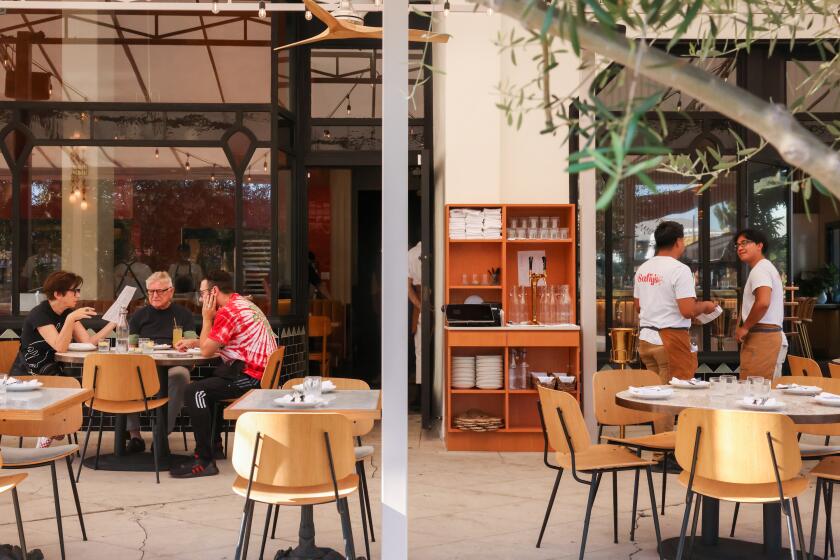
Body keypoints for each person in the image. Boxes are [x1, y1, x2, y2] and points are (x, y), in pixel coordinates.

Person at [172, 270, 277, 478]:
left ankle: (204, 460)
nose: (201, 299)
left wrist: (206, 318)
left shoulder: (227, 312)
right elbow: (221, 342)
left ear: (215, 291)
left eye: (202, 294)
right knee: (206, 381)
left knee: (195, 392)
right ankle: (215, 446)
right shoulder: (243, 303)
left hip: (250, 378)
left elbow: (206, 351)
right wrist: (195, 341)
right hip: (258, 373)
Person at [12, 271, 115, 447]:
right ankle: (48, 431)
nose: (78, 295)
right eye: (74, 291)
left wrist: (114, 322)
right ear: (58, 294)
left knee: (74, 387)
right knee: (66, 385)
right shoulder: (40, 313)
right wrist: (70, 319)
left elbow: (88, 342)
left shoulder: (68, 313)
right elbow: (59, 346)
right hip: (29, 370)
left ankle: (54, 427)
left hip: (52, 367)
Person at [634, 221, 716, 430]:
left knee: (656, 397)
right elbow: (687, 310)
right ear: (679, 242)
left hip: (645, 340)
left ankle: (660, 448)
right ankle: (663, 455)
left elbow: (638, 306)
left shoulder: (643, 269)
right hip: (670, 341)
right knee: (669, 399)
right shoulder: (680, 270)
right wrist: (706, 306)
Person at [124, 271, 196, 453]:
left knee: (181, 375)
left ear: (171, 292)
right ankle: (134, 435)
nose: (154, 296)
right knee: (123, 375)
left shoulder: (183, 314)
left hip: (172, 367)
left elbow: (192, 344)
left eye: (160, 291)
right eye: (150, 292)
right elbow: (129, 347)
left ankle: (160, 435)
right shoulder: (139, 316)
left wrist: (186, 343)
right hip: (142, 368)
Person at [734, 228, 788, 379]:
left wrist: (745, 327)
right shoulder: (764, 267)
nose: (740, 247)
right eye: (737, 245)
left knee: (756, 394)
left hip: (763, 338)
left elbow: (763, 302)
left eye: (745, 243)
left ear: (759, 245)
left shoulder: (760, 269)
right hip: (766, 336)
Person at [408, 240, 422, 385]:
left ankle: (420, 394)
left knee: (420, 350)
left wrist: (420, 305)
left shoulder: (411, 253)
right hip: (429, 301)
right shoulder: (413, 253)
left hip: (420, 303)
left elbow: (407, 288)